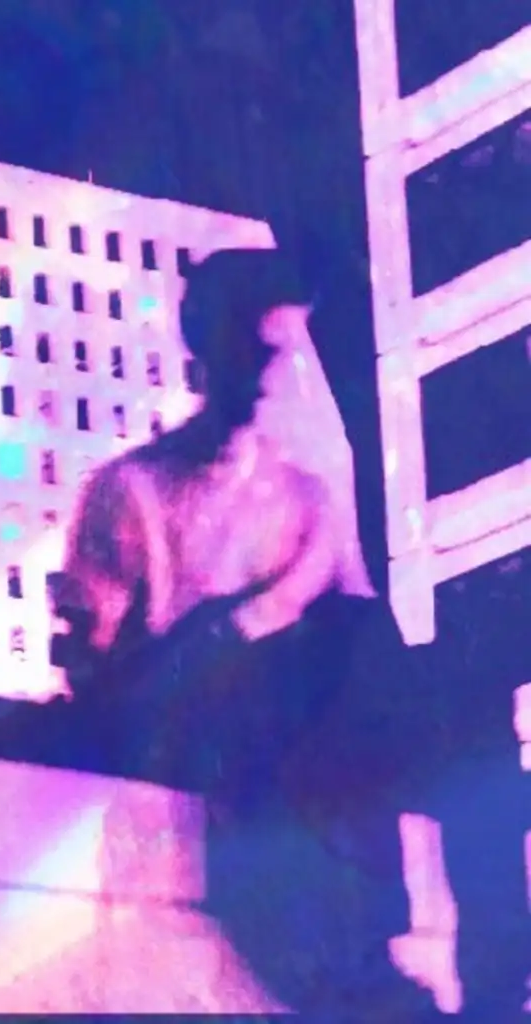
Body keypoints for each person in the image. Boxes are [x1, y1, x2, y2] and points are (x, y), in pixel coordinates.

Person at [51, 246, 441, 1016]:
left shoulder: (308, 501)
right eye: (258, 351)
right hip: (168, 856)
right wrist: (229, 637)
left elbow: (356, 669)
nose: (274, 372)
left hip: (284, 850)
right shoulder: (129, 493)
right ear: (211, 352)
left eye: (287, 351)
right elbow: (93, 685)